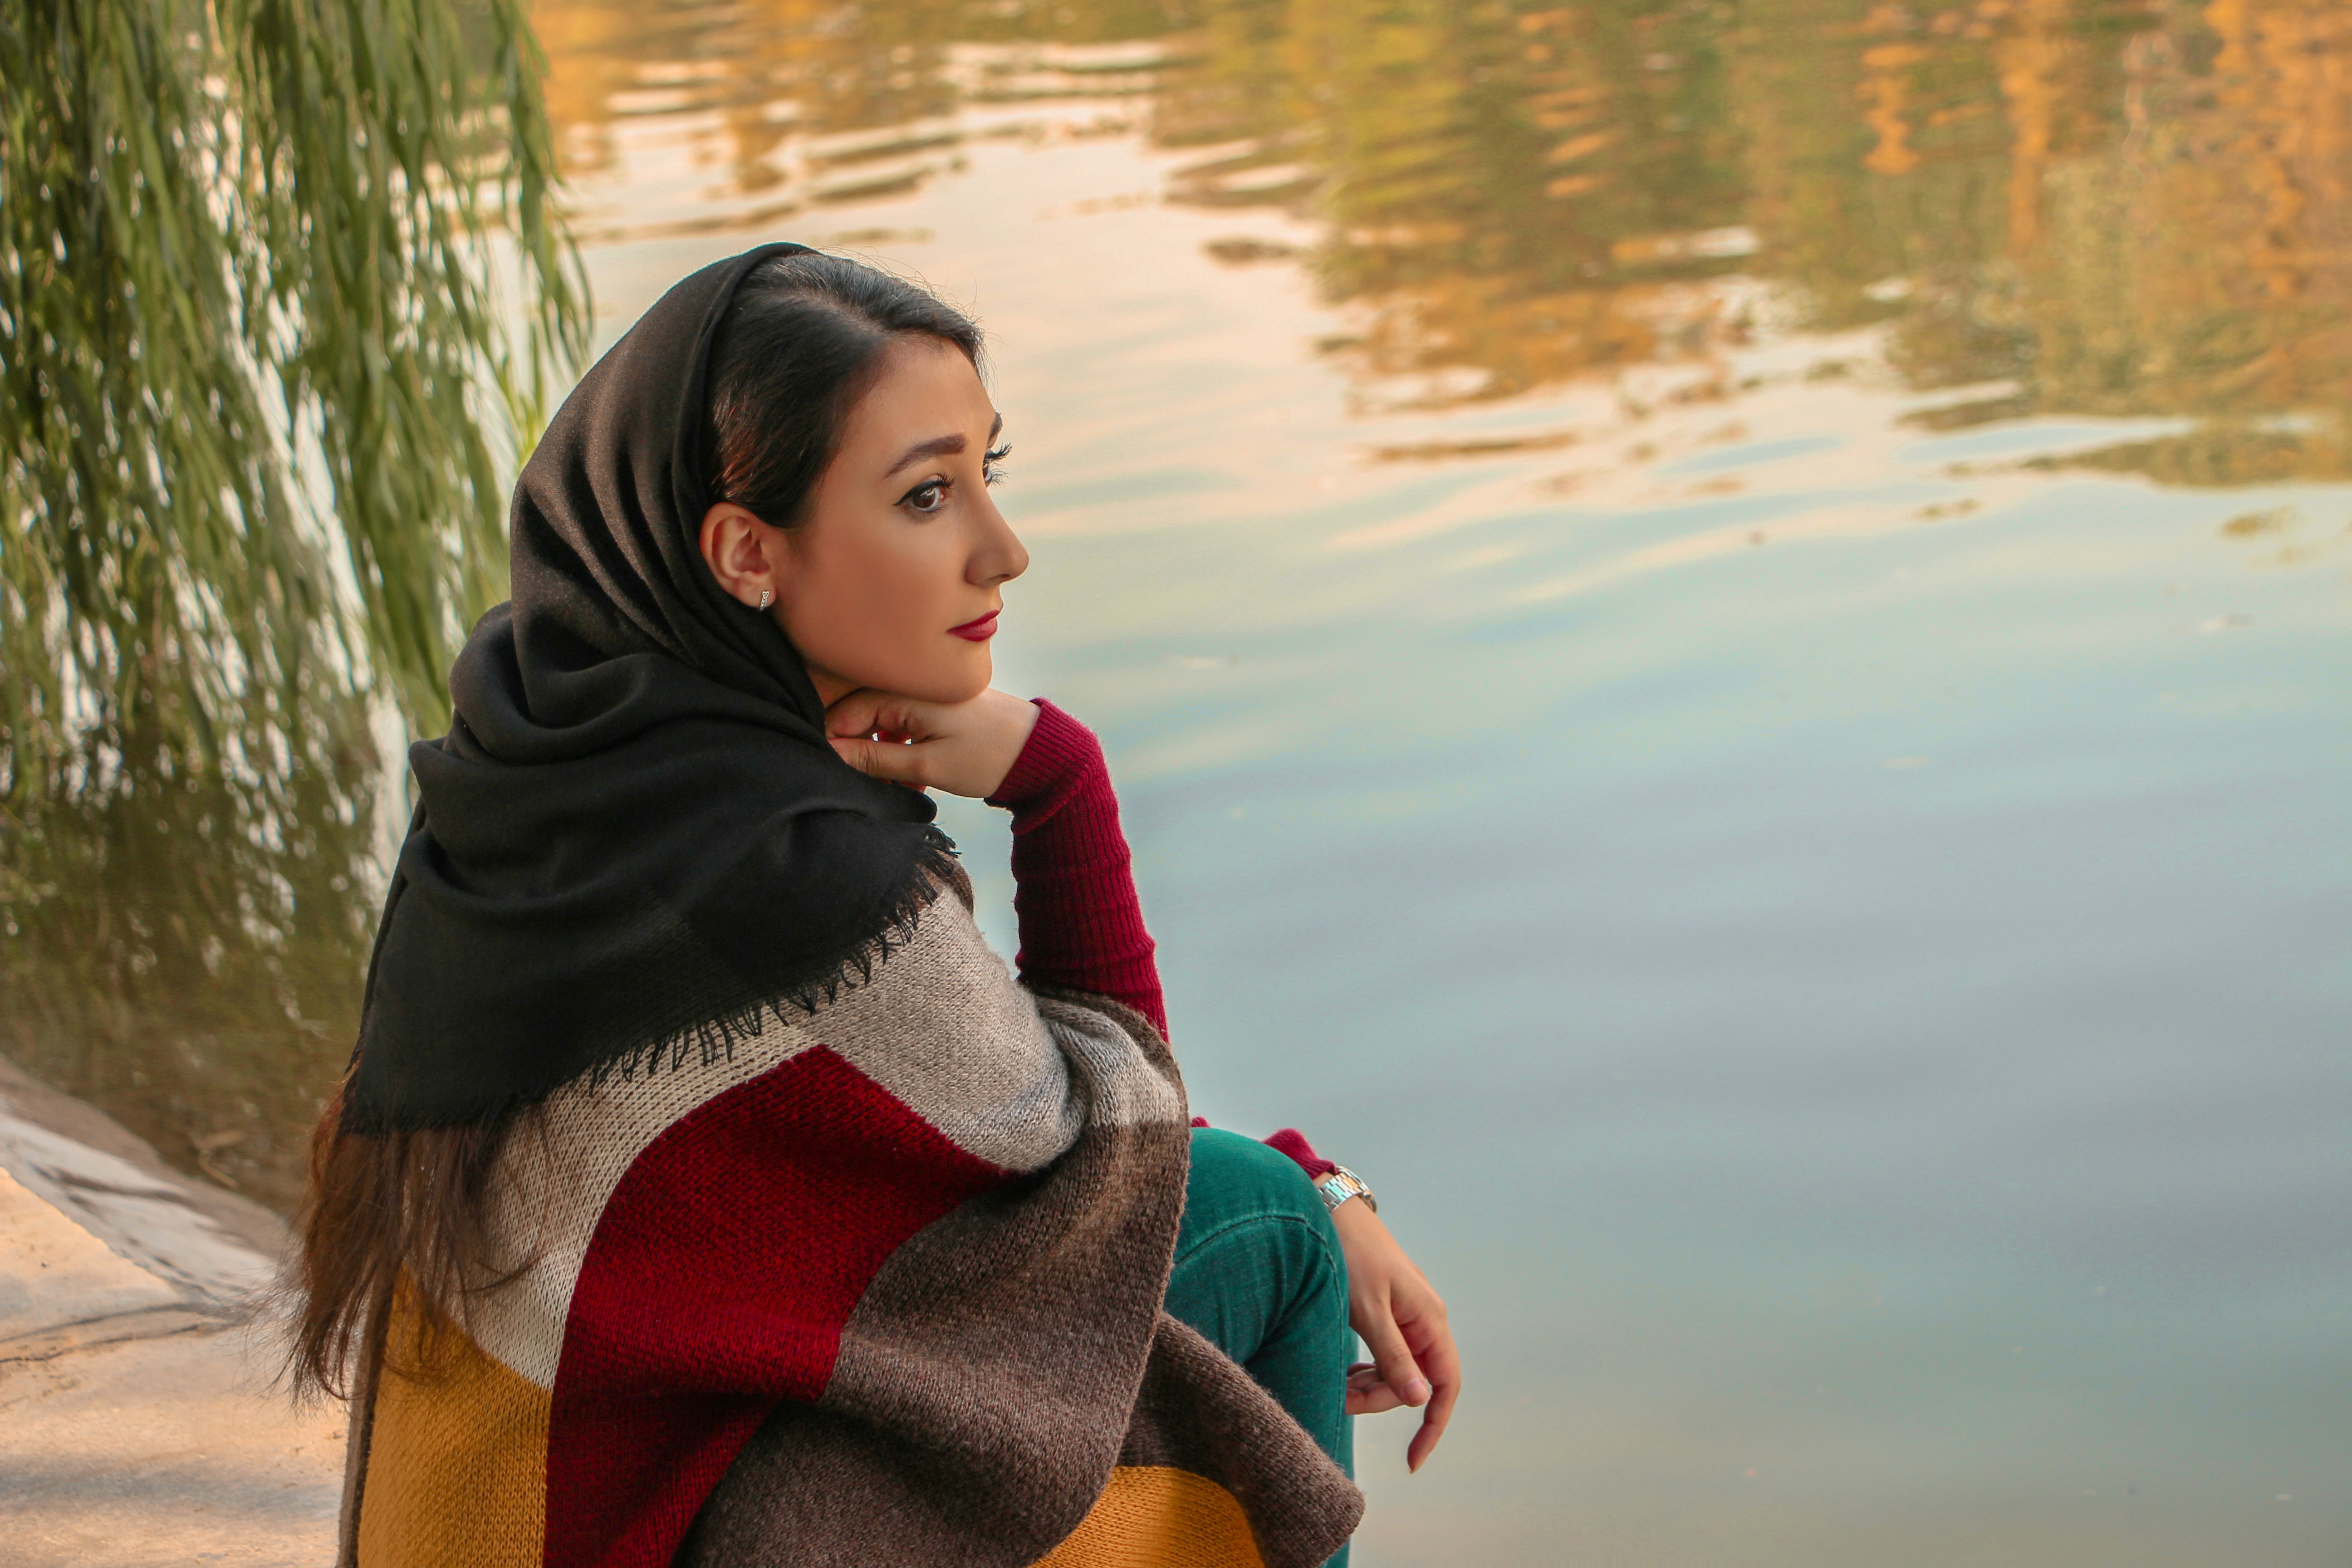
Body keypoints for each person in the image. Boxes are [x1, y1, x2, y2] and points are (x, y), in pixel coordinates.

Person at [288, 244, 1458, 1567]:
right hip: (657, 1526)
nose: (1000, 553)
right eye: (926, 497)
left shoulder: (542, 759)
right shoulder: (796, 884)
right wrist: (1059, 787)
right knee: (1272, 1229)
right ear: (745, 551)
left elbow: (997, 1123)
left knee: (1247, 1197)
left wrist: (1316, 1172)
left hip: (527, 1505)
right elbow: (1107, 1182)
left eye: (986, 475)